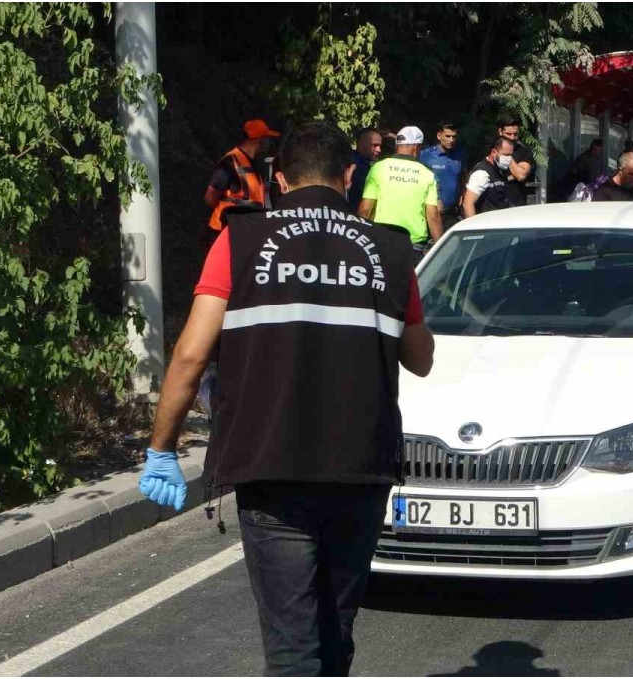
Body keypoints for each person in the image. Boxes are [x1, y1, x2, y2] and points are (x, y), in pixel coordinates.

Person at [138, 120, 434, 676]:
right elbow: (421, 359)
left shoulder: (239, 240)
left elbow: (190, 356)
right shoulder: (391, 250)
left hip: (270, 468)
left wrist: (161, 449)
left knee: (292, 647)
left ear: (278, 179)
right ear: (349, 176)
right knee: (335, 633)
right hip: (360, 468)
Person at [358, 126, 444, 264]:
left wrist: (359, 241)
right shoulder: (427, 173)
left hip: (381, 241)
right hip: (413, 245)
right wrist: (440, 250)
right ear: (416, 147)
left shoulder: (378, 168)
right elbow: (433, 216)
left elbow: (365, 209)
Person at [203, 119, 280, 247]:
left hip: (242, 230)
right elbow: (209, 199)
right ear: (259, 139)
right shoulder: (229, 162)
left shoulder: (253, 163)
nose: (269, 143)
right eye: (267, 139)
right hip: (224, 231)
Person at [419, 123, 467, 231]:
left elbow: (463, 173)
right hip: (431, 210)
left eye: (454, 137)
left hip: (452, 212)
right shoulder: (425, 155)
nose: (451, 140)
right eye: (448, 136)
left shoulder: (459, 155)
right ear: (439, 136)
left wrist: (463, 192)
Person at [462, 137, 515, 217]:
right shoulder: (482, 173)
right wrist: (474, 224)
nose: (509, 159)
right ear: (493, 152)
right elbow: (467, 204)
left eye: (510, 155)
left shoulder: (500, 169)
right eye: (506, 155)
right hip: (486, 221)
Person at [497, 117, 534, 206]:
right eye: (508, 134)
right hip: (493, 203)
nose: (512, 138)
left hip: (515, 203)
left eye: (515, 134)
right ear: (500, 132)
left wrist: (507, 155)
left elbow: (521, 175)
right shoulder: (491, 149)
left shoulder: (524, 152)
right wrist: (510, 176)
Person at [346, 128, 382, 212]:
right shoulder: (349, 163)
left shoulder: (372, 165)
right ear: (362, 144)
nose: (379, 150)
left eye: (380, 146)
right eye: (374, 145)